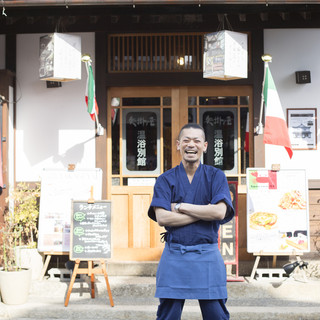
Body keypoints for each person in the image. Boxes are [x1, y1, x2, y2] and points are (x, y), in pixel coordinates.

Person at [148, 123, 234, 320]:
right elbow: (162, 217)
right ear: (178, 145)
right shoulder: (164, 179)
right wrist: (205, 211)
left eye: (196, 141)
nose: (191, 145)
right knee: (167, 315)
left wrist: (180, 206)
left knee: (216, 314)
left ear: (205, 146)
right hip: (174, 253)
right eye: (186, 140)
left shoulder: (216, 176)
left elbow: (220, 213)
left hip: (207, 254)